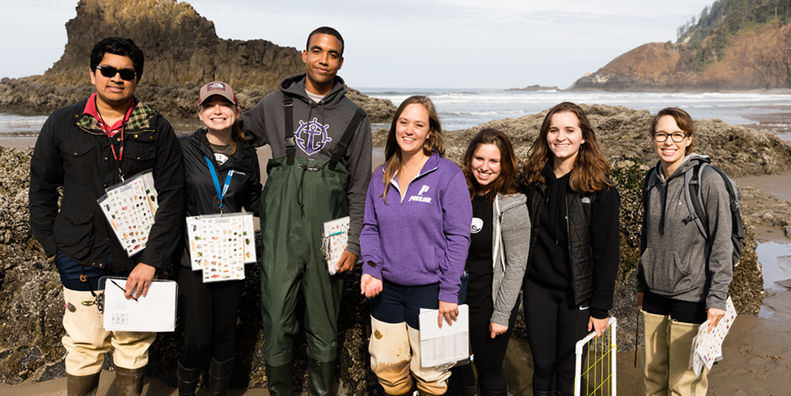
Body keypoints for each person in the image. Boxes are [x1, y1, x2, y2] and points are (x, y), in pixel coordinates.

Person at [28, 37, 184, 396]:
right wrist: (54, 247)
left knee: (133, 343)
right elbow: (42, 188)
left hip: (136, 260)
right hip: (78, 256)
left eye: (126, 73)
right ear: (93, 73)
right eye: (108, 70)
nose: (117, 78)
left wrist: (152, 261)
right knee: (83, 345)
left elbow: (173, 198)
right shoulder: (63, 123)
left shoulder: (156, 128)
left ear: (137, 79)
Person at [240, 26, 372, 395]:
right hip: (281, 231)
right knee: (277, 317)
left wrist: (353, 243)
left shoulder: (356, 117)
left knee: (324, 320)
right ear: (304, 54)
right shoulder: (273, 103)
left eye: (332, 54)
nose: (323, 60)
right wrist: (249, 193)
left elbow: (360, 186)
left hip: (328, 233)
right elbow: (234, 139)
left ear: (340, 61)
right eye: (317, 51)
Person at [360, 95, 472, 396]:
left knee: (432, 375)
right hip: (386, 292)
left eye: (418, 124)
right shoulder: (381, 176)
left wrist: (448, 292)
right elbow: (370, 228)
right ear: (395, 125)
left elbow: (459, 237)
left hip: (432, 292)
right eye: (404, 122)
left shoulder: (447, 175)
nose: (409, 130)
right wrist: (371, 269)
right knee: (388, 368)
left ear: (430, 131)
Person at [520, 102, 620, 396]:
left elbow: (606, 254)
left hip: (578, 294)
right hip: (538, 288)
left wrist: (601, 308)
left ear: (583, 136)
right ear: (545, 136)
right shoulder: (532, 180)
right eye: (553, 130)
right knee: (542, 367)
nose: (560, 137)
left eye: (569, 130)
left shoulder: (599, 190)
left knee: (568, 369)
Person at [637, 107, 732, 396]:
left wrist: (716, 298)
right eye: (662, 134)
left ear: (689, 139)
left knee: (684, 383)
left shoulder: (707, 180)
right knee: (654, 377)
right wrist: (642, 283)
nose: (669, 142)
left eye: (677, 135)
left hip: (692, 295)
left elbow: (721, 242)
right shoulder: (650, 179)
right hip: (654, 293)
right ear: (653, 138)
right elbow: (647, 237)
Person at [175, 81, 262, 396]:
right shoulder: (183, 148)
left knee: (226, 333)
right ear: (200, 113)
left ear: (237, 111)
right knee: (197, 337)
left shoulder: (247, 155)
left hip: (230, 255)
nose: (217, 111)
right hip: (191, 255)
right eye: (210, 105)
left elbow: (255, 202)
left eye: (224, 104)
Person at [449, 129, 529, 396]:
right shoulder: (456, 193)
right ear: (469, 158)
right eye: (479, 158)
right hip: (452, 300)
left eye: (493, 161)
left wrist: (502, 315)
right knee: (455, 369)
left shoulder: (512, 204)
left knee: (489, 370)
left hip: (489, 301)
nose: (484, 167)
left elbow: (516, 265)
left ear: (505, 164)